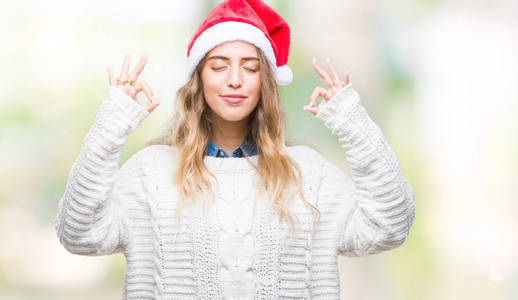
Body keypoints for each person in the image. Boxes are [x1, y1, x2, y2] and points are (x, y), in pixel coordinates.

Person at [54, 0, 416, 299]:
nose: (234, 79)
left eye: (251, 67)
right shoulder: (151, 172)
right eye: (218, 65)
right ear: (198, 79)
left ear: (266, 82)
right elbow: (78, 234)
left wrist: (353, 123)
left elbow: (391, 224)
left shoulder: (307, 173)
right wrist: (110, 126)